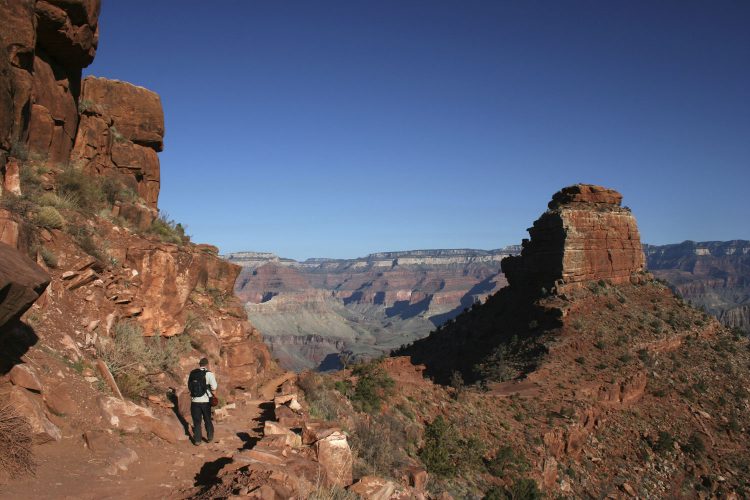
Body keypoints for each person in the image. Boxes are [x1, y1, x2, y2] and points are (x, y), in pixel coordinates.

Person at [187, 357, 217, 445]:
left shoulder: (193, 373)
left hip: (194, 401)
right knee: (207, 419)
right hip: (206, 401)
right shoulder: (209, 374)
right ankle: (210, 437)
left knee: (197, 421)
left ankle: (197, 440)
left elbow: (189, 386)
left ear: (199, 364)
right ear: (207, 365)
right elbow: (214, 387)